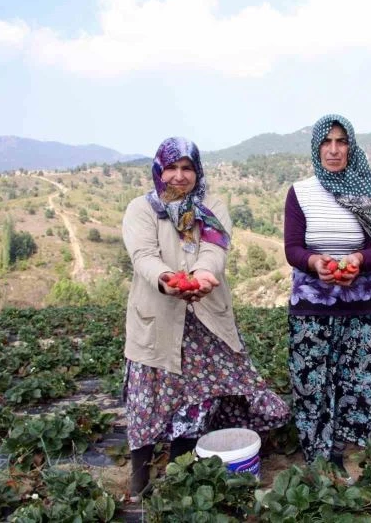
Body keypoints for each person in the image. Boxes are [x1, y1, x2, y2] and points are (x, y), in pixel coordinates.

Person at [122, 137, 290, 498]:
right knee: (147, 399)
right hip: (156, 321)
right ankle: (140, 475)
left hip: (206, 319)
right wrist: (169, 281)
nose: (179, 176)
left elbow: (215, 249)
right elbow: (143, 255)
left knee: (196, 399)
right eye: (172, 167)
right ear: (158, 170)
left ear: (198, 173)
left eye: (188, 169)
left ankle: (179, 468)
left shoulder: (211, 206)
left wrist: (201, 277)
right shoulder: (141, 209)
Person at [283, 114, 371, 470]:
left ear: (351, 146)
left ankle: (346, 452)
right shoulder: (301, 192)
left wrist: (358, 261)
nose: (333, 149)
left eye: (341, 141)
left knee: (356, 379)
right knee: (312, 379)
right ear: (316, 149)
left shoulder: (368, 192)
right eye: (326, 142)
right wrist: (317, 263)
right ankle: (316, 455)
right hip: (311, 303)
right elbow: (293, 249)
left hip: (361, 303)